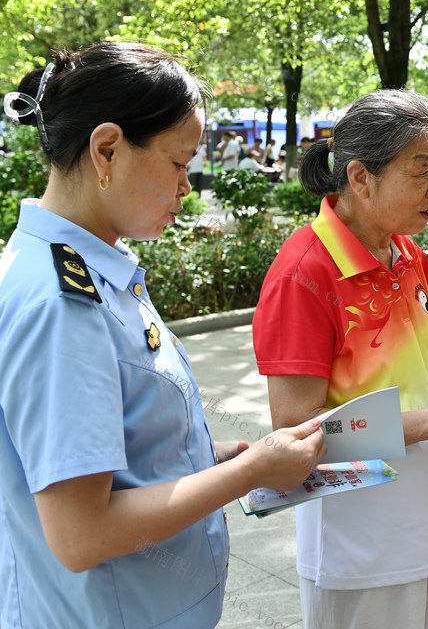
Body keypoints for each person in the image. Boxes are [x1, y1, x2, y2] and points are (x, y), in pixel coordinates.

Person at [0, 42, 326, 629]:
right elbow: (82, 533)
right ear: (107, 149)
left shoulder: (96, 268)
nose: (187, 186)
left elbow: (119, 448)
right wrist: (249, 473)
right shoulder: (62, 302)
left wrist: (217, 455)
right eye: (178, 163)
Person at [251, 89, 428, 629]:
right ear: (360, 178)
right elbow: (293, 434)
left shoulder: (404, 249)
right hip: (359, 543)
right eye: (420, 171)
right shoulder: (304, 275)